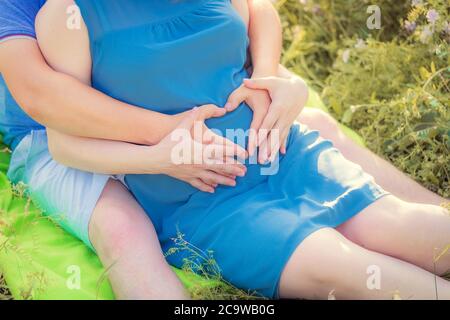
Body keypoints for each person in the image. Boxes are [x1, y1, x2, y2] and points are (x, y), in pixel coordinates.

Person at [36, 0, 450, 300]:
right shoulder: (68, 15)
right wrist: (158, 157)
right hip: (201, 199)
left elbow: (259, 13)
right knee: (349, 270)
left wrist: (269, 81)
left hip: (285, 155)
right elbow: (64, 141)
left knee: (419, 231)